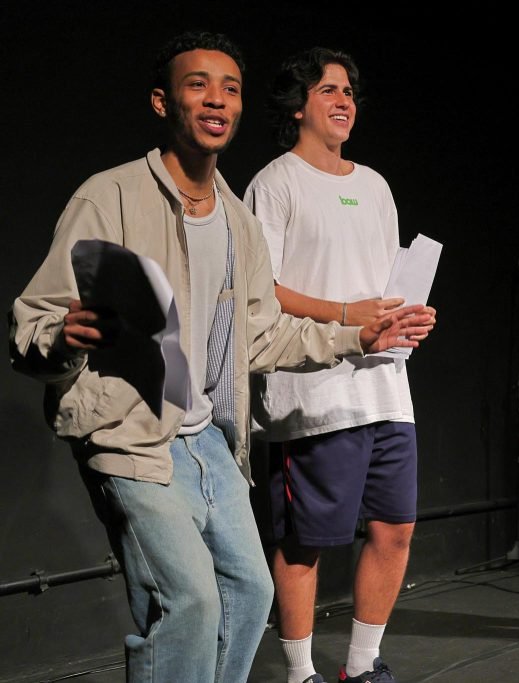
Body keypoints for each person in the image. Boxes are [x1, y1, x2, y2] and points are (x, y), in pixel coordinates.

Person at [8, 32, 431, 683]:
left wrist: (356, 337)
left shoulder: (235, 220)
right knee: (191, 602)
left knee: (248, 594)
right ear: (162, 101)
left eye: (230, 87)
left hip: (210, 438)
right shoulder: (111, 196)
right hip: (131, 434)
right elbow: (31, 325)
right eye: (199, 84)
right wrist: (65, 338)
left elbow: (264, 335)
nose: (217, 99)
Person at [243, 47, 434, 683]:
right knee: (306, 542)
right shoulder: (275, 183)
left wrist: (404, 319)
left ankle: (360, 667)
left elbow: (386, 283)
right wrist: (348, 314)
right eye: (329, 89)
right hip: (312, 392)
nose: (344, 100)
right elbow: (261, 288)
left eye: (349, 90)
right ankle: (300, 674)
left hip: (387, 390)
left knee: (396, 529)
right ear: (299, 105)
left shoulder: (374, 185)